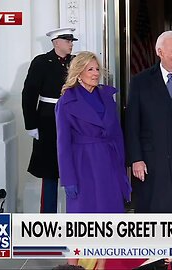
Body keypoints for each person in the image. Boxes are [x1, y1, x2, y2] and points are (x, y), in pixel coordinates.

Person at [125, 30, 172, 270]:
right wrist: (135, 158)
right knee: (153, 218)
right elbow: (132, 124)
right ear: (160, 52)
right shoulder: (140, 81)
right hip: (150, 162)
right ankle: (153, 264)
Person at [55, 51, 131, 269]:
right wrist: (69, 179)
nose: (96, 73)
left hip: (108, 164)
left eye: (97, 69)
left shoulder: (106, 96)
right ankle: (73, 266)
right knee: (81, 220)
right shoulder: (66, 102)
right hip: (82, 165)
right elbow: (62, 144)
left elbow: (117, 133)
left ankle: (101, 265)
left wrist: (121, 170)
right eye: (90, 69)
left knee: (108, 217)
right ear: (79, 73)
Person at [22, 27, 78, 213]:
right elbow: (29, 94)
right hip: (48, 120)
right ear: (56, 42)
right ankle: (48, 217)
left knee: (76, 165)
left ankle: (76, 213)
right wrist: (31, 124)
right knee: (50, 170)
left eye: (71, 41)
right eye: (67, 40)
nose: (71, 44)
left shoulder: (76, 62)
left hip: (73, 118)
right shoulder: (41, 62)